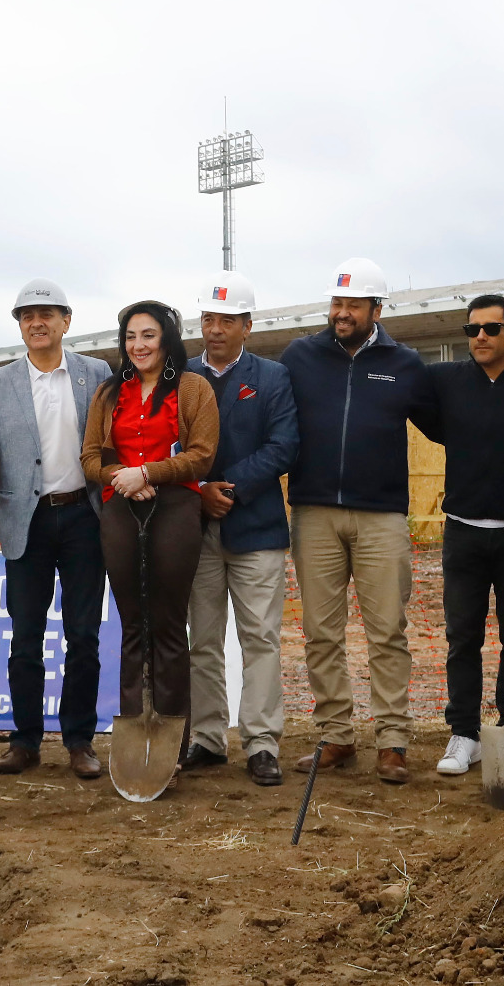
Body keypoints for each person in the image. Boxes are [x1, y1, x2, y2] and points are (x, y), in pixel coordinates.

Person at [0, 279, 111, 779]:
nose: (36, 323)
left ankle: (79, 740)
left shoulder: (97, 374)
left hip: (85, 517)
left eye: (46, 314)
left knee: (83, 636)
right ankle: (25, 740)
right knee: (25, 639)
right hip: (26, 520)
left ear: (66, 320)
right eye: (26, 315)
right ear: (19, 325)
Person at [280, 258, 438, 784]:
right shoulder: (300, 357)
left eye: (352, 305)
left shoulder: (406, 362)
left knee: (387, 631)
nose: (341, 313)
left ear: (376, 308)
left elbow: (444, 424)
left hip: (382, 518)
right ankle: (335, 736)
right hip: (314, 513)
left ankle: (392, 740)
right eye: (336, 303)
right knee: (320, 632)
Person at [80, 301, 217, 779]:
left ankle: (173, 742)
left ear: (167, 340)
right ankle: (135, 732)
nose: (138, 346)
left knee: (167, 624)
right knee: (132, 622)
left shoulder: (193, 388)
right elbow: (90, 458)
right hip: (121, 506)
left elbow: (201, 456)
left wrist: (150, 471)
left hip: (176, 506)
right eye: (130, 337)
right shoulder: (107, 393)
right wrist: (124, 475)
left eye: (148, 336)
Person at [182, 272, 299, 787]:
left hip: (255, 528)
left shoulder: (271, 378)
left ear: (247, 325)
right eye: (208, 319)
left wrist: (225, 489)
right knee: (202, 640)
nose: (215, 329)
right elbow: (166, 448)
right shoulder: (180, 377)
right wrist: (197, 492)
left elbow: (283, 446)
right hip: (195, 529)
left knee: (260, 640)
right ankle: (207, 738)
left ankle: (261, 742)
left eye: (227, 320)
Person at [422, 294, 504, 777]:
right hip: (463, 533)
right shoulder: (446, 380)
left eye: (492, 329)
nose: (481, 337)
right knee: (462, 638)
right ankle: (464, 734)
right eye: (473, 330)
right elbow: (417, 409)